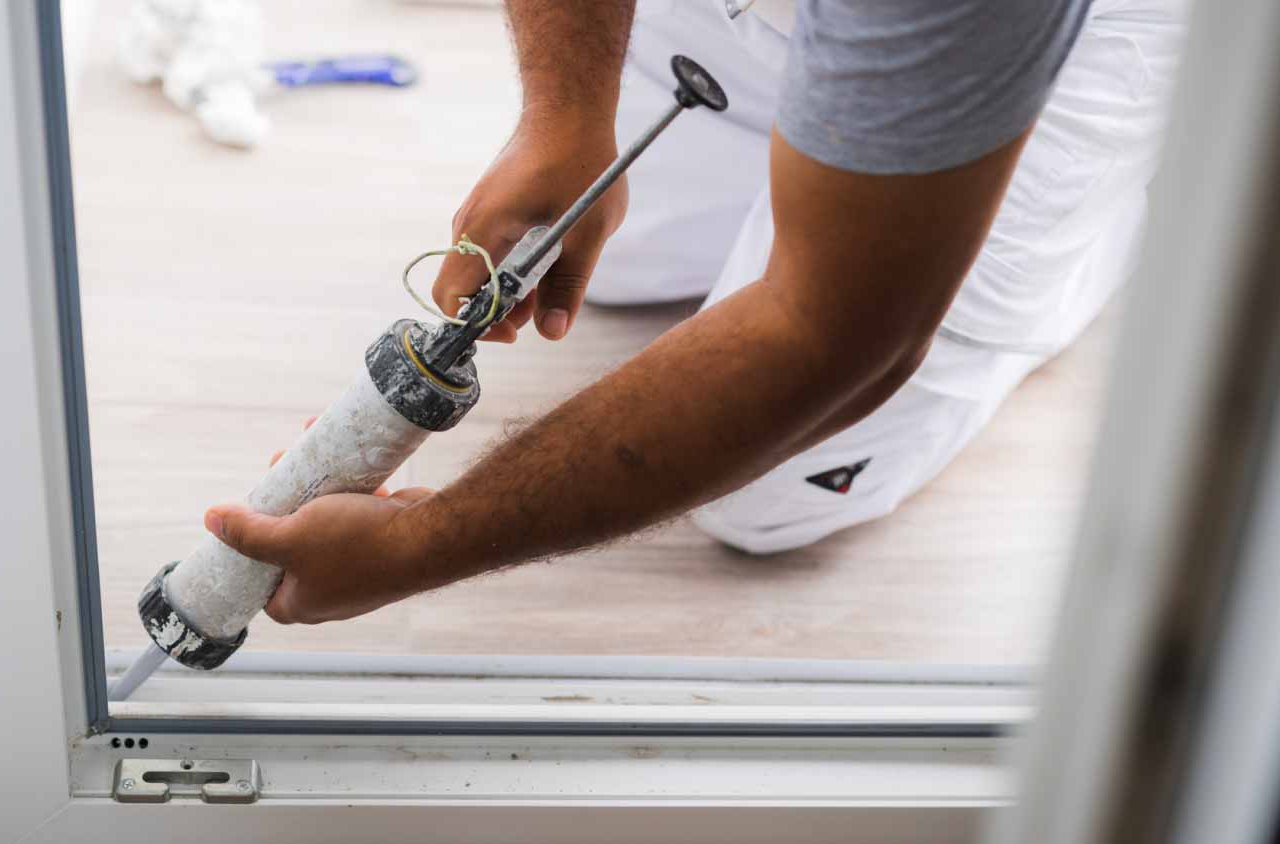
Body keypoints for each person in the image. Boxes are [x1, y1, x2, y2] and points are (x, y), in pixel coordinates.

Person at [202, 0, 1185, 625]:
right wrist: (565, 112)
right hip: (825, 30)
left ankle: (1089, 222)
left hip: (1028, 51)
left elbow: (830, 338)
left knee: (762, 496)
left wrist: (424, 544)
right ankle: (833, 178)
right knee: (599, 263)